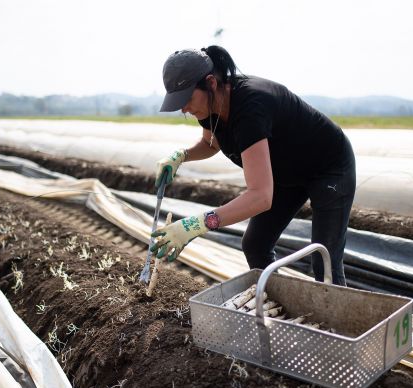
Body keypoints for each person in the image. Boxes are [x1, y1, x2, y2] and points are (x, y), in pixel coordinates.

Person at [150, 46, 355, 286]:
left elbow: (260, 197)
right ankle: (276, 307)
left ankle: (337, 323)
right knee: (255, 245)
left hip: (328, 166)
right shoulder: (208, 106)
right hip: (286, 171)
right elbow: (211, 142)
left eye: (187, 99)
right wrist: (181, 156)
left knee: (324, 262)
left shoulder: (251, 107)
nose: (184, 108)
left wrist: (196, 224)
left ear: (211, 83)